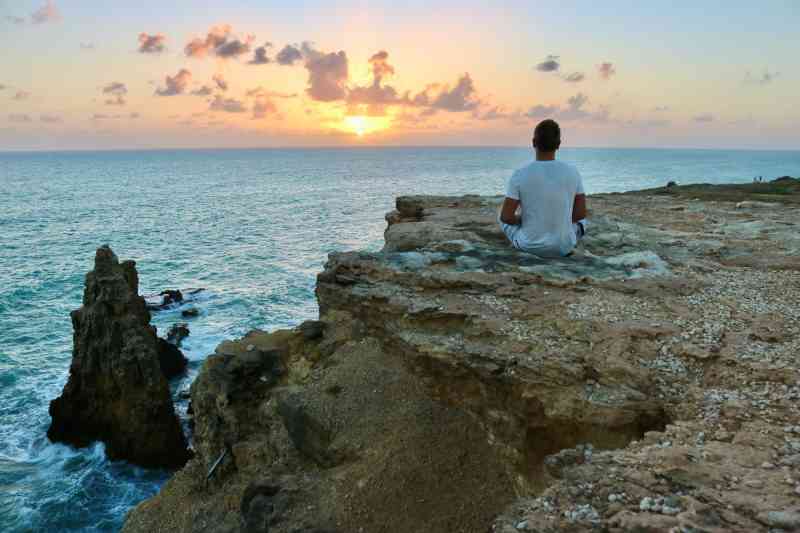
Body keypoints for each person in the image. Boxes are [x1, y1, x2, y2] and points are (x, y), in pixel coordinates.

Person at [498, 119, 587, 257]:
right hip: (563, 247)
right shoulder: (572, 171)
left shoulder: (520, 174)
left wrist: (522, 220)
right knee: (582, 222)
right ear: (558, 145)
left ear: (534, 142)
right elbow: (580, 214)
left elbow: (506, 217)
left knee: (500, 215)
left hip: (529, 246)